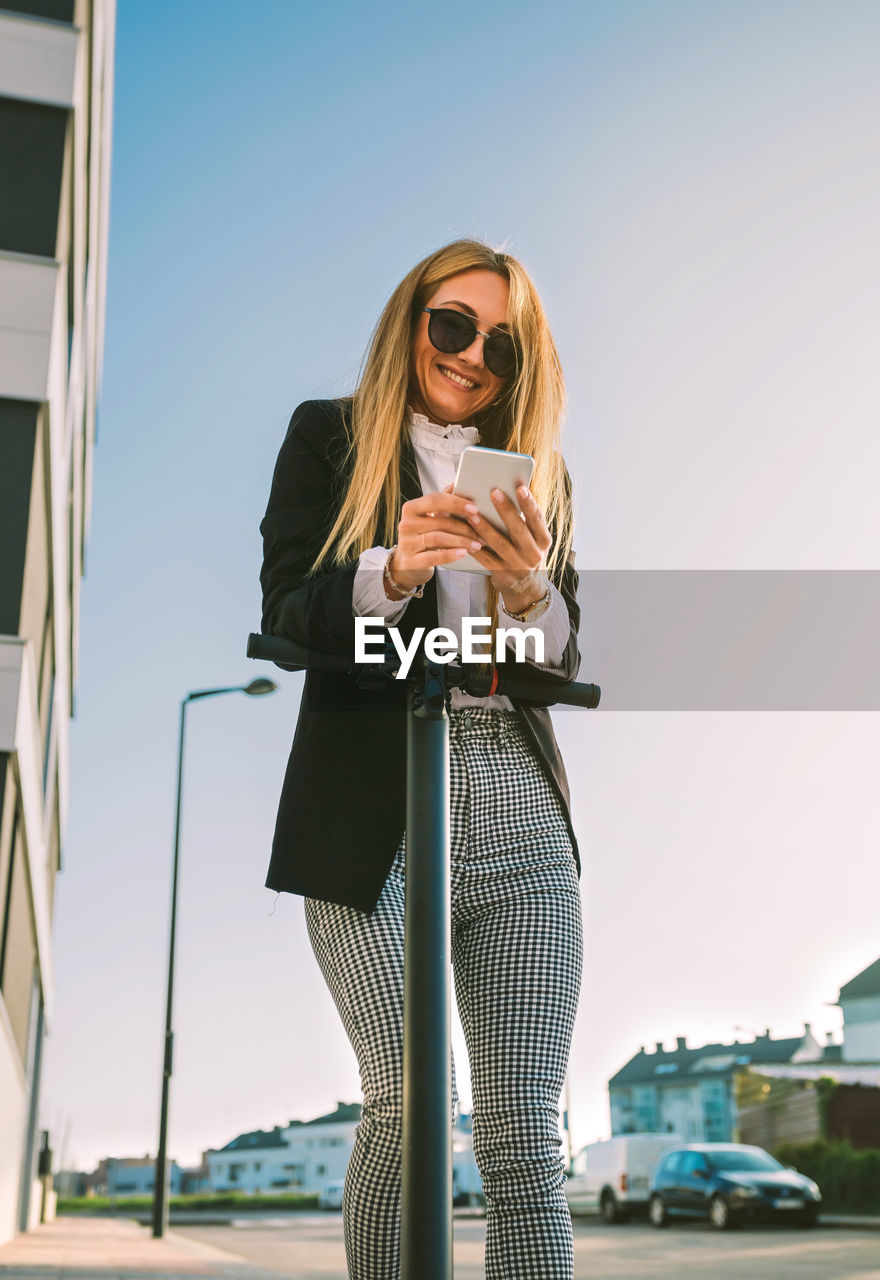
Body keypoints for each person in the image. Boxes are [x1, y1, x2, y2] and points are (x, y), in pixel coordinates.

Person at [260, 239, 582, 1280]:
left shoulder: (539, 475)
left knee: (527, 1135)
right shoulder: (329, 438)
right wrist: (390, 567)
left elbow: (564, 660)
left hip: (517, 808)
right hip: (372, 800)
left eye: (501, 341)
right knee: (407, 1101)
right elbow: (285, 611)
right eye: (453, 324)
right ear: (411, 322)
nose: (472, 354)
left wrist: (532, 594)